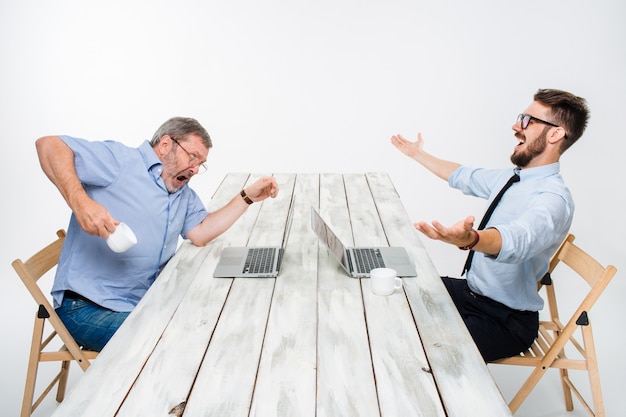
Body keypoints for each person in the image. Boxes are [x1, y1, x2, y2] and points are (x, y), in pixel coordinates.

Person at [36, 117, 279, 351]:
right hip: (86, 308)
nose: (195, 169)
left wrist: (247, 197)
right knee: (179, 341)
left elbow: (201, 232)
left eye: (200, 164)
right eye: (192, 157)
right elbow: (48, 145)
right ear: (165, 145)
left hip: (143, 302)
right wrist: (81, 204)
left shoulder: (179, 191)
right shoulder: (121, 162)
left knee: (211, 319)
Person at [390, 89, 589, 361]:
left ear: (555, 134)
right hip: (471, 294)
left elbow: (516, 240)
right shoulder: (514, 177)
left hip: (504, 320)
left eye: (528, 121)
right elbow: (463, 176)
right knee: (393, 289)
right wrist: (416, 154)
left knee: (421, 353)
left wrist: (471, 240)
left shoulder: (553, 200)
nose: (516, 126)